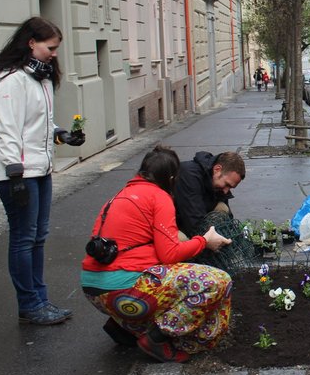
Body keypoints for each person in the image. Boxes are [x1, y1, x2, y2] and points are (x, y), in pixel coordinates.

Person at [81, 146, 233, 363]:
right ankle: (157, 338)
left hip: (95, 291)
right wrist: (204, 241)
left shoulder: (120, 196)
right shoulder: (158, 197)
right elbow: (170, 254)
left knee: (163, 276)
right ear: (171, 178)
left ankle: (124, 327)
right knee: (217, 281)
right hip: (123, 290)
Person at [0, 17, 86, 326]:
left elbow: (39, 124)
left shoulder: (40, 78)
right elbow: (7, 130)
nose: (55, 53)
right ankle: (29, 305)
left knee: (38, 237)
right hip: (17, 173)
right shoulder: (8, 81)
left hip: (40, 169)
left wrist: (62, 135)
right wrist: (15, 174)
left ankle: (40, 300)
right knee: (23, 238)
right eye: (50, 47)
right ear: (31, 42)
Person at [173, 151, 246, 239]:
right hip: (168, 223)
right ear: (217, 169)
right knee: (183, 241)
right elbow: (194, 221)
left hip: (191, 217)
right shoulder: (189, 175)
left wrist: (232, 236)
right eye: (227, 184)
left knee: (222, 208)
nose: (226, 191)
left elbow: (228, 218)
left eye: (230, 187)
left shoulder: (215, 181)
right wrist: (212, 240)